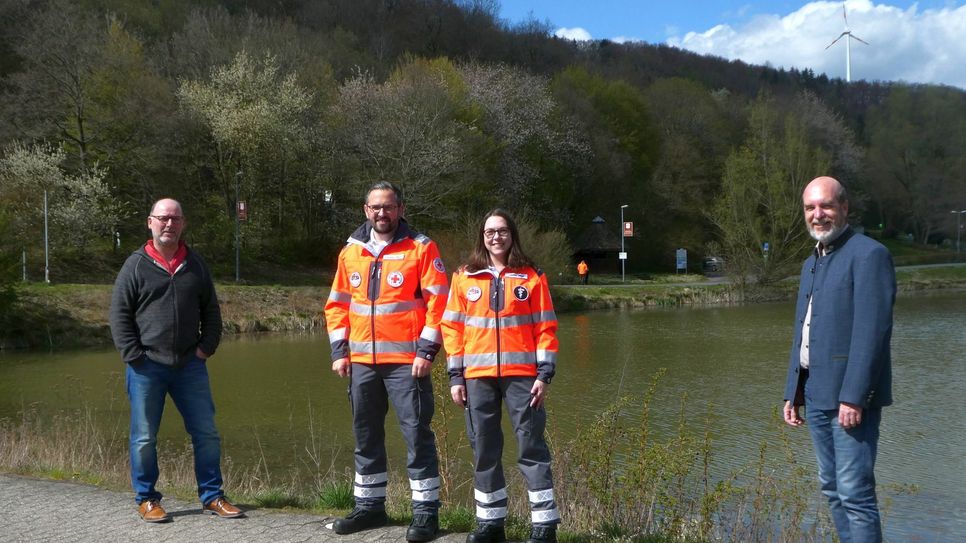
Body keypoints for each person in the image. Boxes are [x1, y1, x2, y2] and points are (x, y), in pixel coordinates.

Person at [324, 181, 448, 542]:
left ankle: (426, 514)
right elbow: (337, 305)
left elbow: (439, 303)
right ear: (366, 210)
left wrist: (426, 352)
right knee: (365, 436)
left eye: (389, 207)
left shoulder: (421, 248)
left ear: (401, 210)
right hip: (362, 362)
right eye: (376, 207)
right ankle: (369, 508)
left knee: (416, 436)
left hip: (407, 364)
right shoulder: (351, 252)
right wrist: (339, 351)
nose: (382, 213)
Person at [109, 198, 243, 523]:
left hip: (189, 366)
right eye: (163, 218)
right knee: (144, 437)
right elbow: (119, 315)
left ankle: (212, 496)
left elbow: (211, 312)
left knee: (206, 433)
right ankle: (147, 499)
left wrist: (204, 350)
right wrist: (134, 356)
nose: (169, 224)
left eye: (175, 219)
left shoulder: (195, 264)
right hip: (146, 367)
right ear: (150, 222)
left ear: (183, 224)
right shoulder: (135, 265)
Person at [783, 177, 895, 543]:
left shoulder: (868, 254)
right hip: (815, 394)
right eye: (810, 208)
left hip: (849, 399)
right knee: (831, 489)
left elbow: (872, 333)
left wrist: (854, 396)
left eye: (826, 206)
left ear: (844, 208)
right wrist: (793, 391)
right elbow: (804, 330)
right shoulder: (810, 263)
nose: (818, 214)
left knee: (855, 494)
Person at [441, 209, 561, 543]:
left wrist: (544, 374)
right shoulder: (465, 276)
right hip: (477, 377)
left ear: (513, 235)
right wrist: (455, 376)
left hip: (523, 377)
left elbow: (546, 327)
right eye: (490, 231)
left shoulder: (531, 275)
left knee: (531, 446)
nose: (496, 237)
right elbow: (451, 327)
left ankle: (545, 525)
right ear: (482, 236)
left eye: (503, 231)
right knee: (483, 448)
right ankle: (491, 524)